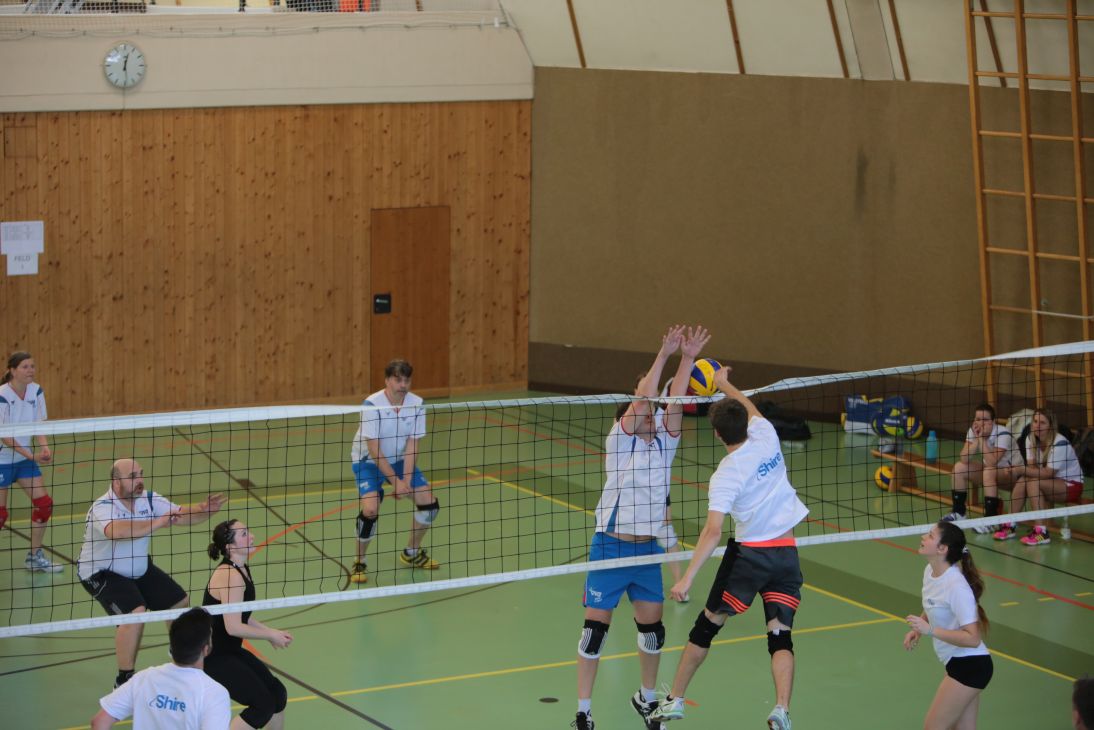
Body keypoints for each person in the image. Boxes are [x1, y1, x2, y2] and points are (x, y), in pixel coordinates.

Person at [651, 365, 808, 730]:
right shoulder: (765, 436)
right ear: (747, 425)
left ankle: (675, 700)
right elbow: (750, 408)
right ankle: (782, 709)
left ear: (718, 433)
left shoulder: (725, 474)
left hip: (749, 556)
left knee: (705, 627)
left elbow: (713, 531)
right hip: (786, 553)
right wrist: (724, 384)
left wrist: (687, 578)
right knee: (780, 635)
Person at [573, 325, 708, 730]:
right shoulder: (620, 442)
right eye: (646, 412)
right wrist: (664, 353)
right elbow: (645, 397)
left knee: (653, 633)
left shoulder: (665, 444)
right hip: (610, 548)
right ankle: (583, 711)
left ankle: (647, 699)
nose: (653, 415)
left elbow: (674, 401)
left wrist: (688, 359)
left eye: (654, 413)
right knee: (594, 633)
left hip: (647, 552)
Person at [78, 458, 227, 688]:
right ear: (116, 482)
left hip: (138, 567)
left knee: (178, 602)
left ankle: (180, 656)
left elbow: (180, 515)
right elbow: (118, 532)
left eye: (141, 474)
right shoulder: (102, 507)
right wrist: (157, 522)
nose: (139, 480)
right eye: (132, 477)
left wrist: (203, 511)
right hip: (101, 573)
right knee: (134, 613)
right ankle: (124, 679)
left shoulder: (148, 499)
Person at [348, 359, 439, 583]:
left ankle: (411, 552)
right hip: (368, 461)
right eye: (398, 380)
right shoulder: (371, 405)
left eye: (407, 380)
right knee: (370, 509)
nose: (403, 385)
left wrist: (405, 480)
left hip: (398, 460)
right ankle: (359, 560)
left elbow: (413, 445)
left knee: (429, 504)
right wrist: (395, 482)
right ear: (387, 380)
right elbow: (374, 449)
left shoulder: (417, 404)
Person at [903, 521, 993, 730]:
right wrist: (919, 628)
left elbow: (973, 638)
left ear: (942, 549)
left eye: (930, 536)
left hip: (970, 665)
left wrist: (930, 630)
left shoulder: (956, 586)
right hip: (959, 663)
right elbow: (933, 603)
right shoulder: (930, 571)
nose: (923, 537)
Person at [204, 519, 292, 729]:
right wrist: (270, 635)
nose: (251, 536)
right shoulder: (230, 576)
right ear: (230, 546)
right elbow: (233, 627)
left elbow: (241, 615)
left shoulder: (241, 568)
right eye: (243, 534)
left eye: (248, 531)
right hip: (214, 657)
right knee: (262, 706)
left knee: (277, 694)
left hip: (230, 651)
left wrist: (271, 632)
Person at [91, 607, 232, 730]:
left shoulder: (144, 678)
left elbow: (99, 721)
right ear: (206, 649)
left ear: (172, 646)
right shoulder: (214, 694)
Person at [0, 351, 62, 572]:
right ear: (12, 370)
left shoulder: (36, 391)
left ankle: (34, 557)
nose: (30, 370)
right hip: (2, 460)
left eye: (32, 366)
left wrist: (44, 446)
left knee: (44, 505)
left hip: (24, 460)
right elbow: (5, 436)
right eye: (25, 367)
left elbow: (38, 424)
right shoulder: (2, 395)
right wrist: (31, 455)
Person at [992, 408, 1083, 545]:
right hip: (1050, 482)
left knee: (1032, 481)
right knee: (1024, 479)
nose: (1037, 426)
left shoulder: (1060, 443)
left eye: (1042, 423)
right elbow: (1032, 468)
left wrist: (1021, 469)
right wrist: (1018, 470)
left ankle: (1041, 532)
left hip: (1070, 485)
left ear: (1051, 426)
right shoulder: (1030, 439)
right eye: (1035, 421)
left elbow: (1048, 473)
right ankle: (1009, 524)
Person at [942, 403, 1014, 534]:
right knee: (959, 467)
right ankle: (959, 513)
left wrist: (982, 439)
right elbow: (964, 458)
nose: (981, 423)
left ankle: (991, 520)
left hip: (1012, 475)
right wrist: (977, 440)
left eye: (985, 419)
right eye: (978, 419)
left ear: (993, 421)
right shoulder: (973, 431)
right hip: (990, 474)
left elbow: (992, 462)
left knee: (988, 470)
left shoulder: (1003, 433)